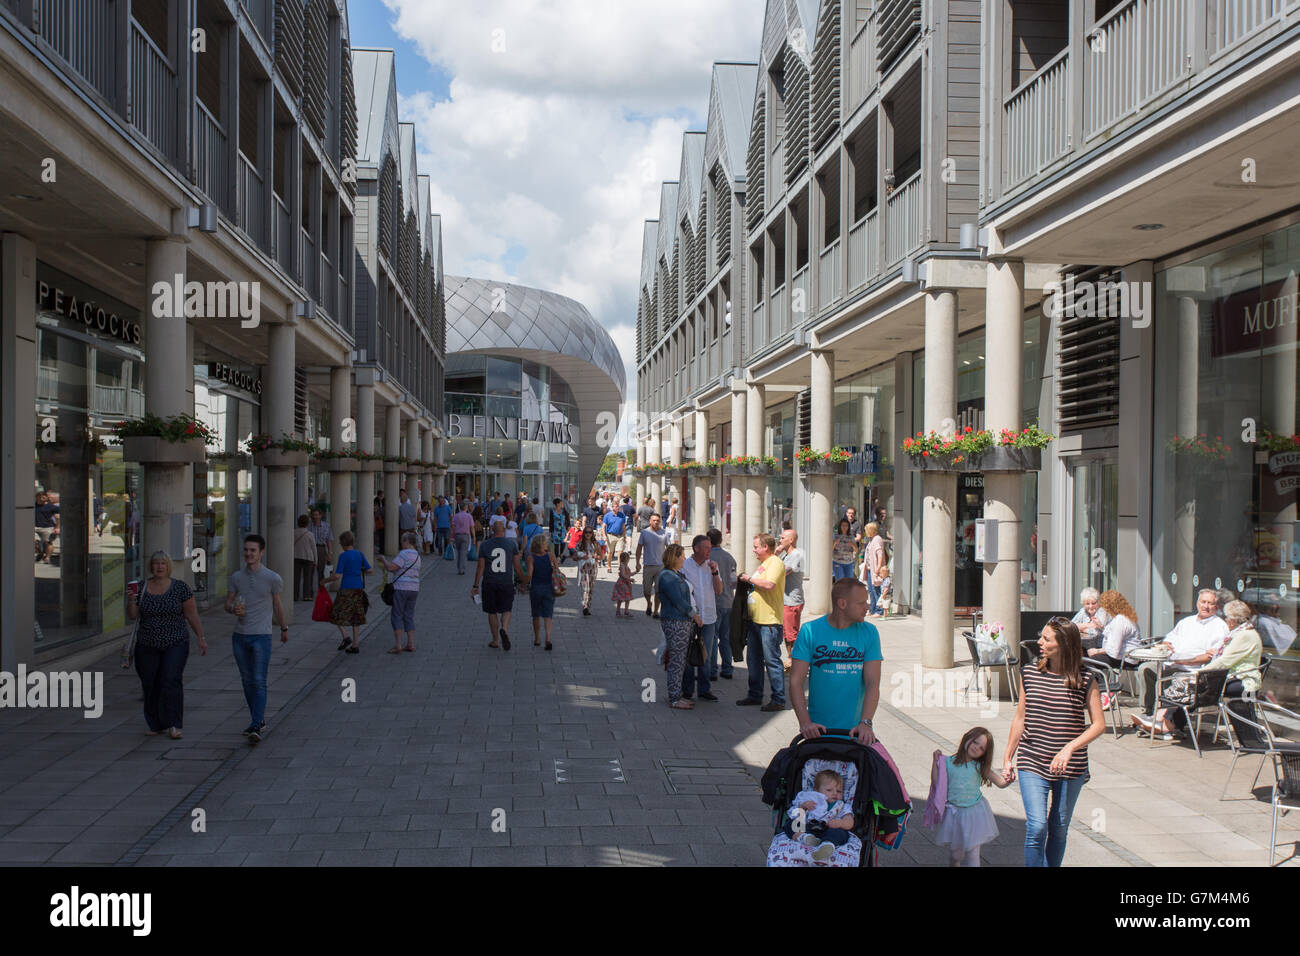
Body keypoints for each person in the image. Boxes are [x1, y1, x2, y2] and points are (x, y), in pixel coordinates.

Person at [1003, 617, 1106, 867]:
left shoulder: (1085, 678)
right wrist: (1007, 757)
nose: (1039, 642)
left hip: (1070, 767)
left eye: (1046, 639)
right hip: (1032, 759)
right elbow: (1020, 718)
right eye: (1042, 637)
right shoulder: (1028, 672)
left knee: (1058, 828)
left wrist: (1069, 748)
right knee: (1036, 826)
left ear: (1064, 644)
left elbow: (1099, 725)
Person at [1142, 600, 1264, 737]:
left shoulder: (1244, 635)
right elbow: (1227, 656)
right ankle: (1164, 720)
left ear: (1234, 619)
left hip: (1241, 680)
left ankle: (1165, 721)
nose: (1226, 620)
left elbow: (1224, 661)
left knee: (1187, 684)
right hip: (1231, 676)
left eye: (1227, 617)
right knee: (1185, 683)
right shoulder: (1241, 632)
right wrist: (1216, 652)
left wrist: (1199, 672)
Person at [127, 551, 207, 739]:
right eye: (156, 563)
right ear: (151, 566)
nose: (159, 567)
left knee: (170, 680)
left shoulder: (180, 587)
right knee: (150, 683)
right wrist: (132, 599)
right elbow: (132, 615)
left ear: (168, 566)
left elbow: (191, 614)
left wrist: (201, 637)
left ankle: (173, 723)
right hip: (147, 643)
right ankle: (155, 723)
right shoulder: (142, 587)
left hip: (175, 642)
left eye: (163, 563)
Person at [790, 577, 881, 741]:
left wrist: (865, 723)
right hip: (818, 731)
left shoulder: (870, 632)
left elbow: (873, 683)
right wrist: (805, 723)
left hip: (855, 732)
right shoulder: (810, 631)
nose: (867, 607)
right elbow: (796, 681)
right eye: (861, 603)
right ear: (842, 604)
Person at [224, 535, 289, 743]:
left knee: (259, 679)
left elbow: (278, 604)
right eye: (246, 550)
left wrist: (284, 628)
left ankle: (255, 724)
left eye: (253, 550)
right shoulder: (236, 577)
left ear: (261, 552)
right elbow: (228, 602)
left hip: (262, 635)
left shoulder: (272, 578)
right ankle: (257, 719)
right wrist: (232, 608)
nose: (248, 554)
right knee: (246, 680)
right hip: (240, 636)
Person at [1134, 589, 1229, 722]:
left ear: (1217, 607)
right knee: (1146, 668)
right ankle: (1148, 712)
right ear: (1197, 603)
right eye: (1203, 602)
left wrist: (1184, 661)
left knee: (1173, 677)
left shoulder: (1219, 626)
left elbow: (1210, 657)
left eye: (1210, 603)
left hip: (1192, 671)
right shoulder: (1186, 622)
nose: (1206, 606)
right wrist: (1167, 644)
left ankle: (1166, 720)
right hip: (1171, 664)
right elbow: (1168, 639)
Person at [930, 727, 1014, 867]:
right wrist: (935, 762)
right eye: (975, 742)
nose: (976, 748)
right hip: (954, 813)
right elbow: (936, 784)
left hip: (974, 813)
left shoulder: (979, 766)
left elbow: (1000, 783)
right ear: (967, 737)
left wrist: (1008, 780)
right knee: (955, 855)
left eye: (981, 748)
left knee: (973, 856)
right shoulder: (947, 762)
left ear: (984, 753)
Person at [735, 533, 787, 712]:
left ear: (766, 547)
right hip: (756, 621)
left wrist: (748, 579)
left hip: (769, 622)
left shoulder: (775, 563)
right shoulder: (764, 564)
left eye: (756, 546)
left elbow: (769, 585)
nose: (753, 550)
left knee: (771, 660)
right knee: (754, 659)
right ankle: (755, 694)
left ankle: (778, 698)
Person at [658, 543, 704, 710]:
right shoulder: (668, 576)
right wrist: (694, 615)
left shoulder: (675, 574)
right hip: (676, 621)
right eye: (682, 556)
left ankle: (676, 695)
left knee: (680, 660)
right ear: (675, 557)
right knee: (677, 661)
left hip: (681, 621)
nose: (684, 558)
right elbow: (679, 600)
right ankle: (675, 697)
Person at [472, 516, 527, 651]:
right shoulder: (511, 545)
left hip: (490, 582)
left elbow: (480, 567)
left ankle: (496, 640)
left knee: (492, 612)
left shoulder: (485, 545)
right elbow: (517, 566)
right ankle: (504, 628)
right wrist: (523, 581)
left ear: (491, 530)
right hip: (506, 582)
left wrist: (475, 585)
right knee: (507, 609)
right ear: (504, 530)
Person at [680, 534, 723, 702]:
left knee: (706, 654)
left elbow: (719, 591)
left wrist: (715, 572)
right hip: (691, 617)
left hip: (709, 617)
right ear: (696, 548)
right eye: (706, 548)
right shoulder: (684, 566)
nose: (709, 551)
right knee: (689, 654)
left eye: (710, 548)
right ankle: (687, 690)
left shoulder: (711, 566)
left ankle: (704, 689)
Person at [782, 768, 855, 863]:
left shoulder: (842, 806)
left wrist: (840, 823)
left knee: (841, 833)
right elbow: (795, 814)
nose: (834, 793)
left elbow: (850, 822)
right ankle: (804, 837)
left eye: (839, 791)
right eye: (829, 790)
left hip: (829, 830)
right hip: (807, 828)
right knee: (791, 823)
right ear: (816, 791)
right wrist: (803, 807)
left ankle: (827, 845)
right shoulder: (809, 799)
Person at [324, 530, 371, 653]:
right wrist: (359, 570)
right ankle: (355, 645)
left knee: (335, 613)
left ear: (343, 544)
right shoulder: (359, 554)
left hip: (346, 589)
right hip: (358, 589)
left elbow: (337, 576)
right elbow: (369, 570)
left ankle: (345, 636)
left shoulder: (343, 556)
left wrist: (325, 581)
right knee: (356, 616)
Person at [377, 532, 421, 654]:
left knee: (397, 615)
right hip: (414, 589)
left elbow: (391, 568)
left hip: (401, 588)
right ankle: (411, 643)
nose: (401, 543)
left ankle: (398, 645)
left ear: (407, 542)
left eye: (402, 541)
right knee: (409, 615)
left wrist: (383, 559)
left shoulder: (404, 554)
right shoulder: (417, 555)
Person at [706, 528, 737, 680]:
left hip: (714, 602)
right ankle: (727, 668)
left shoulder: (708, 557)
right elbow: (733, 582)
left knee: (712, 637)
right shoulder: (729, 557)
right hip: (728, 601)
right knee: (725, 638)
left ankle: (712, 671)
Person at [776, 528, 806, 667]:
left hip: (792, 600)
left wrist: (774, 556)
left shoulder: (797, 554)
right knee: (786, 632)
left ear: (791, 540)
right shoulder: (784, 555)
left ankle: (794, 661)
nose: (780, 540)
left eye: (782, 538)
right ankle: (791, 659)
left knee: (791, 633)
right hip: (784, 600)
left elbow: (780, 572)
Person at [1087, 589, 1140, 667]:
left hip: (1124, 659)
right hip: (1130, 657)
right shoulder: (1127, 617)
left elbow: (1113, 650)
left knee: (1085, 661)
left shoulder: (1120, 620)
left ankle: (1098, 679)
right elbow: (1116, 636)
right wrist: (1102, 627)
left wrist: (1096, 651)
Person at [526, 535, 557, 650]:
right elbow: (557, 571)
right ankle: (548, 639)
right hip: (549, 588)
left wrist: (524, 584)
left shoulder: (531, 558)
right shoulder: (550, 556)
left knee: (536, 614)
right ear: (543, 545)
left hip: (536, 588)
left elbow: (529, 575)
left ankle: (537, 638)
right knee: (548, 615)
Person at [635, 513, 668, 618]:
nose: (656, 522)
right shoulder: (645, 533)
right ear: (650, 521)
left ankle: (655, 611)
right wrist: (637, 562)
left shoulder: (664, 533)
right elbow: (639, 548)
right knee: (646, 590)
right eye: (654, 520)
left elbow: (669, 548)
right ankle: (649, 602)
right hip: (648, 565)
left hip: (661, 566)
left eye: (658, 520)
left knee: (658, 590)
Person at [862, 522, 887, 618]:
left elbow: (880, 555)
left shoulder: (877, 539)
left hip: (875, 569)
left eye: (866, 530)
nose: (865, 532)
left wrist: (878, 568)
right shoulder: (871, 539)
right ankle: (872, 609)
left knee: (876, 589)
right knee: (871, 590)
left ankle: (879, 610)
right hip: (869, 568)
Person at [292, 515, 317, 602]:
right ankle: (307, 596)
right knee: (307, 577)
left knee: (296, 577)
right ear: (307, 523)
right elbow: (314, 548)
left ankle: (295, 595)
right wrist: (315, 560)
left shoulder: (293, 532)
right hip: (308, 557)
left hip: (296, 556)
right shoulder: (310, 534)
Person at [577, 528, 599, 616]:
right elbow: (574, 557)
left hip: (593, 568)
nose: (588, 534)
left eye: (590, 532)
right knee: (585, 588)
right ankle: (585, 606)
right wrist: (582, 557)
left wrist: (596, 556)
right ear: (584, 533)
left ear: (592, 534)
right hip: (584, 568)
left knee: (591, 588)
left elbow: (601, 556)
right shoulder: (580, 544)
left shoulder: (595, 544)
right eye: (586, 532)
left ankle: (588, 607)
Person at [309, 509, 333, 588]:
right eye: (314, 515)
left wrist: (329, 553)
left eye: (317, 515)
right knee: (310, 571)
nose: (315, 517)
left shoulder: (326, 526)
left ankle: (321, 591)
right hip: (311, 549)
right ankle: (309, 593)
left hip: (321, 548)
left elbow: (328, 540)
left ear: (320, 515)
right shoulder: (309, 526)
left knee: (321, 571)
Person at [450, 501, 475, 574]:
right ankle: (461, 569)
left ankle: (459, 567)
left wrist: (451, 537)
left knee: (459, 552)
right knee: (463, 552)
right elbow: (472, 527)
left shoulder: (456, 516)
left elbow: (453, 527)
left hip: (457, 535)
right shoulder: (469, 516)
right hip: (465, 535)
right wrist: (474, 537)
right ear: (466, 508)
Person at [34, 490, 59, 563]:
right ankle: (40, 552)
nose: (41, 498)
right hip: (35, 527)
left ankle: (47, 557)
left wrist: (57, 527)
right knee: (34, 542)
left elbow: (58, 517)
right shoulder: (33, 506)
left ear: (46, 498)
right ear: (36, 498)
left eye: (43, 497)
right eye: (39, 497)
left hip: (47, 527)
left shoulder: (50, 506)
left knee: (48, 542)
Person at [602, 505, 628, 572]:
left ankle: (620, 568)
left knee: (620, 552)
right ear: (612, 508)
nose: (615, 508)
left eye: (617, 507)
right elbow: (603, 526)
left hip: (620, 536)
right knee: (610, 552)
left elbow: (623, 526)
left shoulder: (622, 515)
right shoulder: (607, 516)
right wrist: (604, 535)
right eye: (614, 507)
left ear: (618, 508)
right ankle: (609, 566)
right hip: (610, 536)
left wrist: (624, 536)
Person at [549, 497, 570, 564]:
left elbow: (567, 518)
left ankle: (560, 555)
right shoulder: (552, 511)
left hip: (563, 530)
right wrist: (550, 531)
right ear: (557, 504)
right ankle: (557, 557)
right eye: (561, 503)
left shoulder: (564, 511)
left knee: (563, 543)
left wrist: (568, 526)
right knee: (556, 544)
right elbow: (551, 521)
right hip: (555, 530)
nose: (562, 504)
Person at [612, 552, 634, 617]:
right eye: (628, 558)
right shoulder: (622, 565)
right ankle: (618, 611)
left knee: (627, 598)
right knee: (620, 598)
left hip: (626, 583)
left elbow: (628, 574)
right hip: (622, 584)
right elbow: (623, 575)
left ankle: (626, 611)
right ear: (625, 559)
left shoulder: (625, 565)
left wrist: (636, 571)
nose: (629, 560)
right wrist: (630, 579)